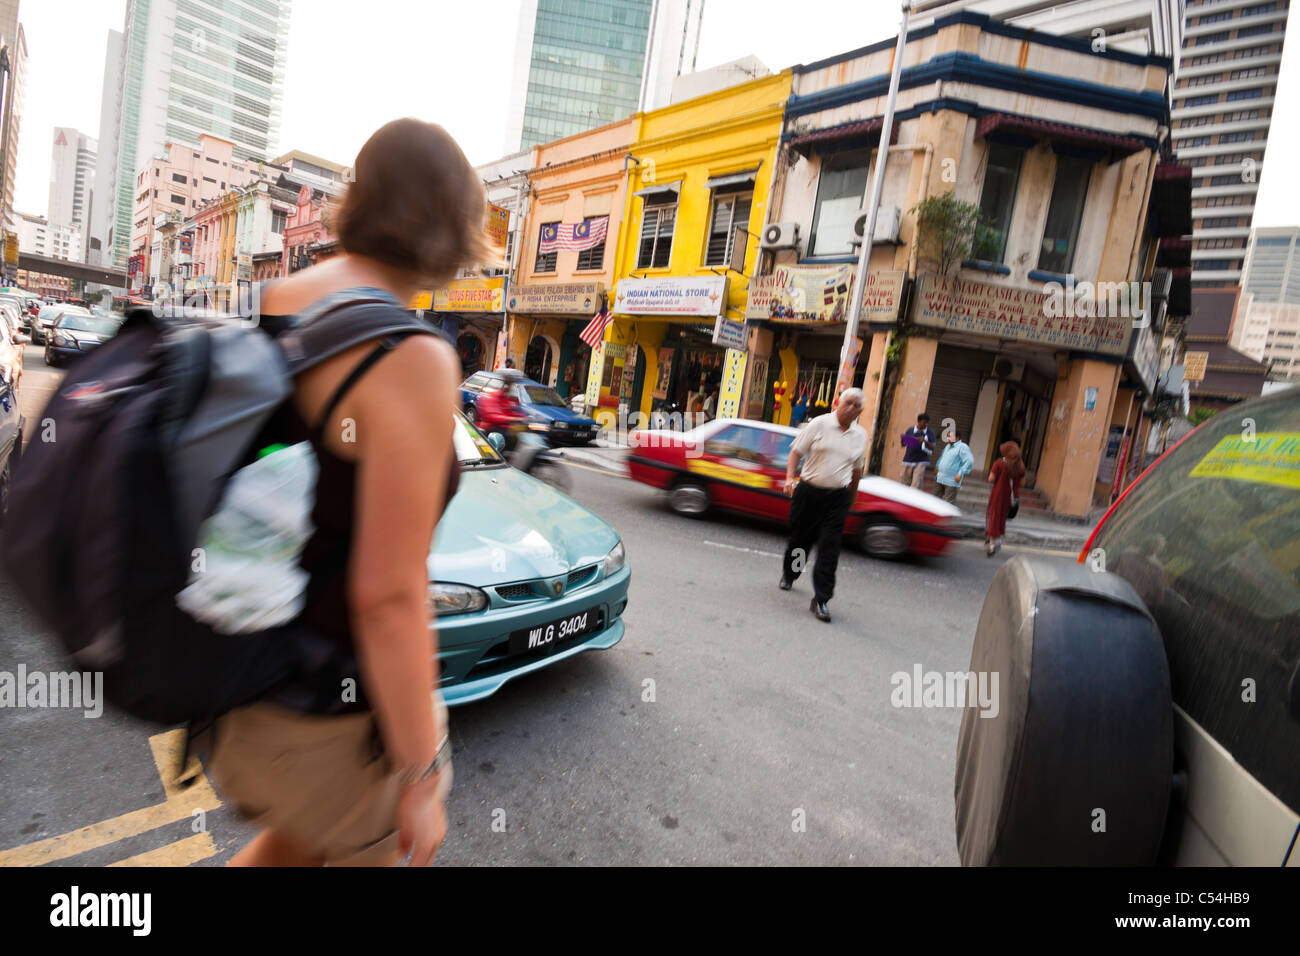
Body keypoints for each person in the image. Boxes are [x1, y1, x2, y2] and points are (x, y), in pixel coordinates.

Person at [198, 118, 493, 867]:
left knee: (291, 849)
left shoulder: (285, 297)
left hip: (238, 677)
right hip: (328, 704)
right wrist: (422, 777)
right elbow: (386, 596)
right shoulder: (413, 354)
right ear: (452, 227)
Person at [779, 388, 868, 623]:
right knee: (800, 540)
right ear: (838, 403)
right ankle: (791, 574)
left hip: (837, 498)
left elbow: (857, 470)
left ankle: (821, 599)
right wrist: (789, 478)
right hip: (808, 492)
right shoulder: (819, 424)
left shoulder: (860, 436)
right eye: (848, 403)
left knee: (830, 548)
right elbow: (796, 453)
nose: (851, 408)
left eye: (857, 406)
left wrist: (852, 497)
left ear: (861, 410)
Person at [985, 440, 1026, 556]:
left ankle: (992, 542)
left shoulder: (999, 463)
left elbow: (991, 479)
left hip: (998, 495)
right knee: (1002, 517)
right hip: (1011, 497)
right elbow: (1022, 484)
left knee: (993, 516)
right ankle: (997, 540)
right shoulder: (1020, 466)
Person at [934, 427, 974, 505]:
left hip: (951, 480)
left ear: (957, 437)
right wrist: (937, 466)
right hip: (940, 477)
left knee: (947, 503)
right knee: (935, 500)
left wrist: (960, 473)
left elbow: (969, 461)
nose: (948, 438)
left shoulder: (962, 447)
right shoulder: (947, 446)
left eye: (950, 436)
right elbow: (942, 457)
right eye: (948, 436)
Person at [900, 413, 936, 489]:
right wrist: (902, 439)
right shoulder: (910, 430)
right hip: (908, 460)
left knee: (915, 484)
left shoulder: (930, 433)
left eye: (927, 422)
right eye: (924, 422)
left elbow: (933, 448)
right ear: (919, 421)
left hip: (921, 461)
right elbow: (903, 445)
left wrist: (925, 442)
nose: (926, 424)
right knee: (903, 484)